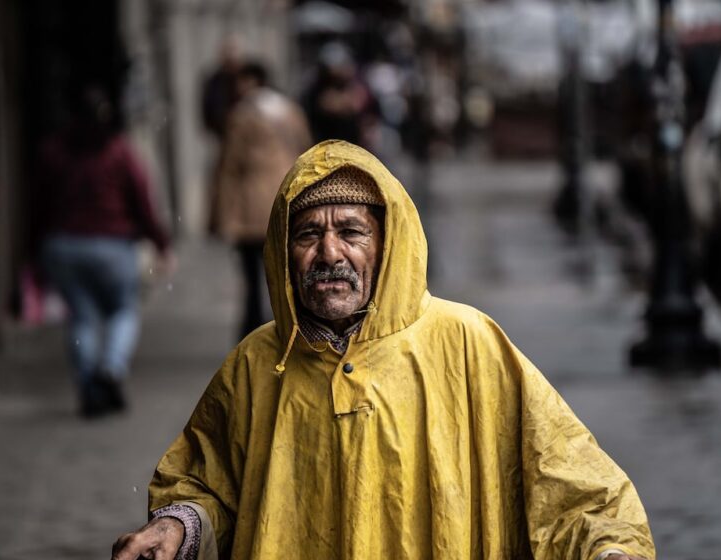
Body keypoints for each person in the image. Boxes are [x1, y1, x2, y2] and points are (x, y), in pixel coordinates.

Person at [112, 141, 655, 560]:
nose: (329, 252)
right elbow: (206, 483)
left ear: (386, 244)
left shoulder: (470, 343)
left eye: (352, 232)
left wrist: (608, 550)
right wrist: (178, 525)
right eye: (307, 235)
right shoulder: (255, 363)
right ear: (283, 251)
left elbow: (570, 482)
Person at [33, 83, 174, 418]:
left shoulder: (53, 151)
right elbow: (142, 200)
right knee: (124, 310)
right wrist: (160, 242)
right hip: (113, 245)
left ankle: (87, 385)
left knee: (81, 316)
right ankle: (111, 369)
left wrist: (34, 251)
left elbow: (37, 206)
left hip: (64, 245)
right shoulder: (119, 151)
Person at [209, 61, 311, 337]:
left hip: (252, 205)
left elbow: (229, 166)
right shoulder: (289, 111)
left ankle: (254, 332)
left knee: (253, 276)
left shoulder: (242, 115)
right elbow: (305, 147)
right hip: (287, 197)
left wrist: (220, 215)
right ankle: (292, 326)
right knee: (287, 270)